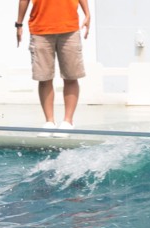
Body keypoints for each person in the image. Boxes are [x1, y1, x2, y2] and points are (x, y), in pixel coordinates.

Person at [16, 0, 91, 132]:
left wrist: (87, 14)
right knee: (44, 78)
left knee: (71, 76)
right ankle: (49, 121)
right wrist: (19, 24)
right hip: (40, 29)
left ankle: (68, 121)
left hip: (69, 28)